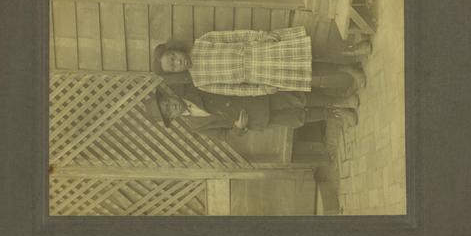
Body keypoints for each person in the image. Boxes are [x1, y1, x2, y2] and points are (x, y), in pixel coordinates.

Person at [152, 26, 368, 97]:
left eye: (173, 57)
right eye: (172, 67)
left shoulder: (203, 42)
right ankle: (348, 72)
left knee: (310, 53)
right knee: (309, 75)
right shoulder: (200, 82)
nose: (177, 63)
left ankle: (350, 57)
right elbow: (235, 91)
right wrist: (262, 90)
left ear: (175, 50)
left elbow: (237, 36)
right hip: (262, 75)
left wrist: (261, 36)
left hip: (262, 51)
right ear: (175, 73)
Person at [143, 86, 358, 142]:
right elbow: (224, 136)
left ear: (170, 97)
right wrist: (238, 129)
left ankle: (341, 100)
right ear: (171, 119)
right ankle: (337, 114)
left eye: (168, 104)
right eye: (168, 112)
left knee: (299, 99)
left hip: (257, 98)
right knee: (298, 118)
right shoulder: (196, 127)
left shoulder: (195, 88)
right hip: (258, 121)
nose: (173, 107)